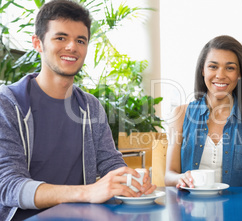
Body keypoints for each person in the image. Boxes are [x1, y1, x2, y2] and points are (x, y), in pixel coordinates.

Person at [0, 1, 156, 220]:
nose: (72, 47)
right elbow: (8, 185)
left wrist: (129, 181)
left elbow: (111, 163)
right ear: (37, 43)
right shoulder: (7, 103)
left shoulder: (90, 106)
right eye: (61, 37)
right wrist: (89, 192)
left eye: (80, 40)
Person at [164, 35, 242, 188]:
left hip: (237, 210)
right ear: (202, 70)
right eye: (213, 66)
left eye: (230, 68)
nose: (220, 75)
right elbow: (169, 176)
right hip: (189, 208)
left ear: (239, 74)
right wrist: (180, 178)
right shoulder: (180, 115)